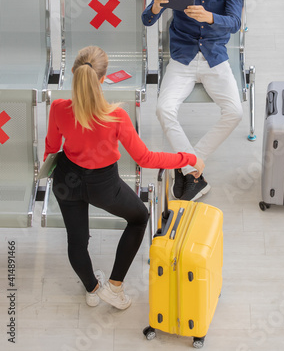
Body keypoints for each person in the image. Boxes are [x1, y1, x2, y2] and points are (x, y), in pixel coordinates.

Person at [44, 45, 204, 311]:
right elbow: (146, 159)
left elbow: (51, 147)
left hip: (65, 180)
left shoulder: (59, 108)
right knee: (139, 218)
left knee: (77, 239)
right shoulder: (115, 116)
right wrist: (188, 158)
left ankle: (92, 289)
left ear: (73, 73)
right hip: (104, 187)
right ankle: (114, 288)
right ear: (104, 79)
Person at [142, 0, 243, 202]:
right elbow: (147, 20)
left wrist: (210, 17)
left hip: (214, 57)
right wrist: (154, 8)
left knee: (235, 112)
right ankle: (191, 169)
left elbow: (234, 23)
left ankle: (190, 163)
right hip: (183, 57)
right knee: (163, 109)